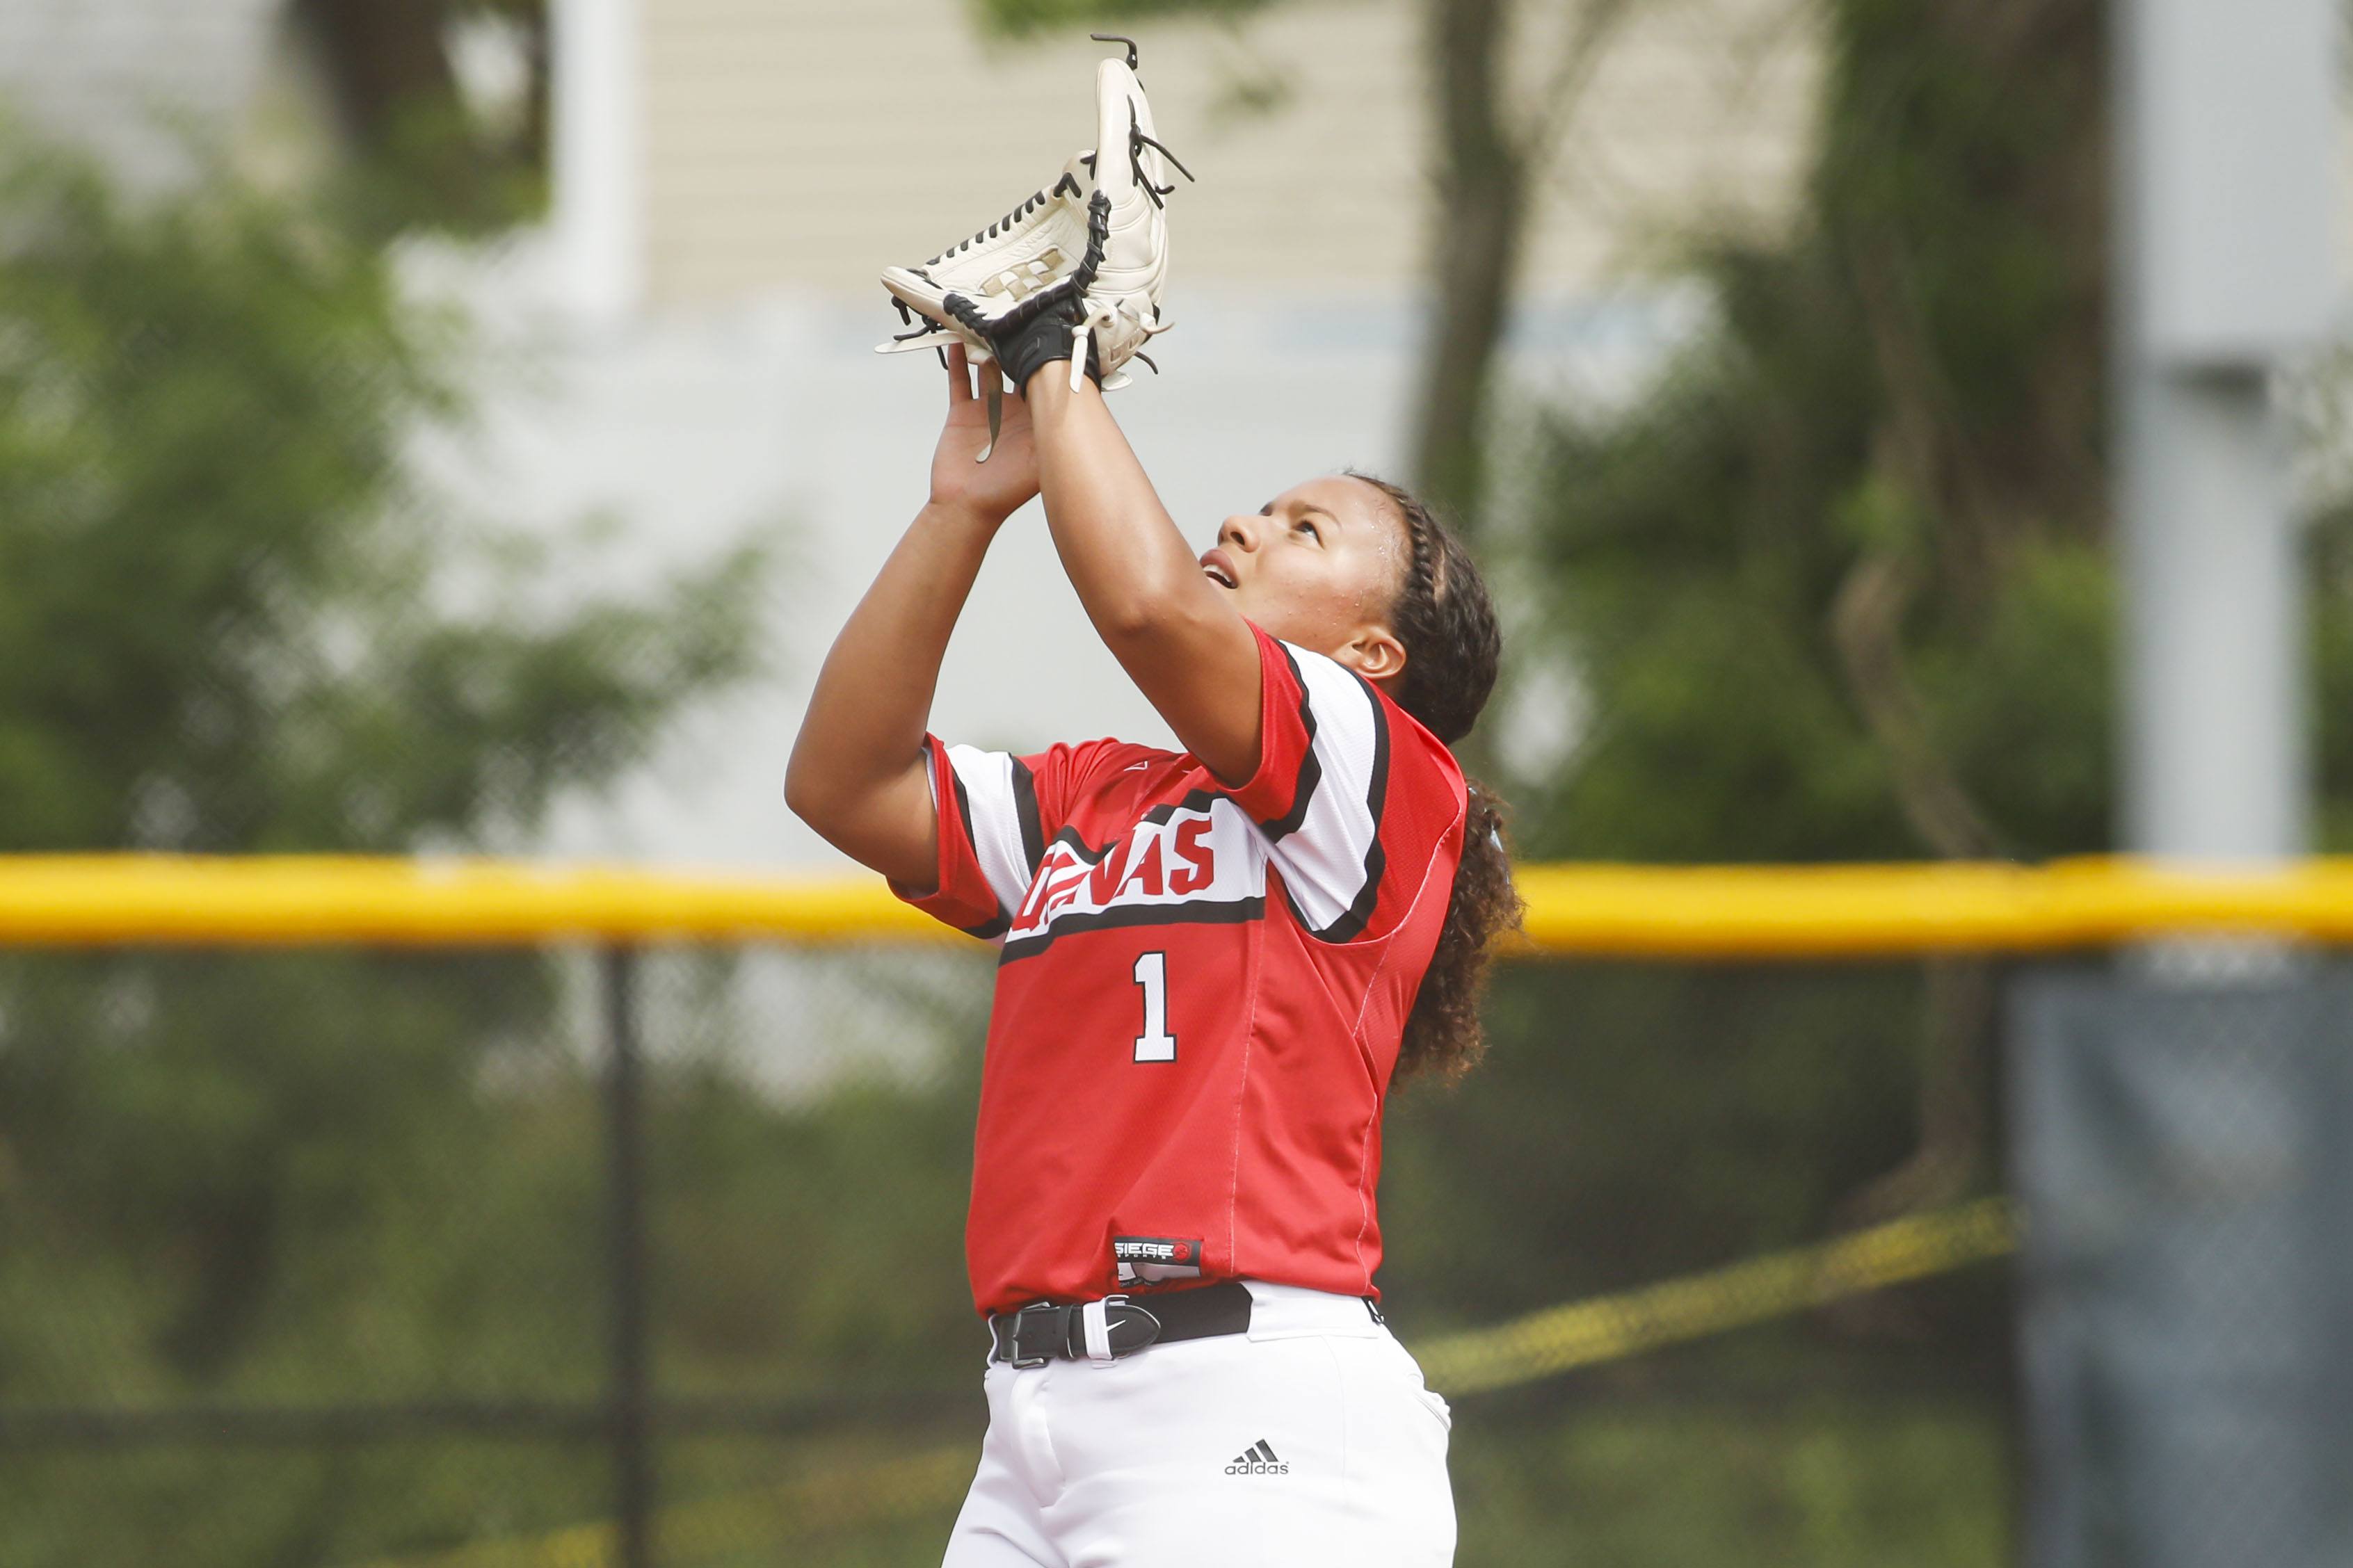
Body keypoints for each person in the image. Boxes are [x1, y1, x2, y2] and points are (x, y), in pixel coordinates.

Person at [785, 332, 1518, 1565]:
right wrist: (961, 513)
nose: (1243, 523)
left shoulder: (1386, 777)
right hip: (1032, 1420)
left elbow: (1144, 606)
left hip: (1248, 1406)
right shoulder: (1098, 797)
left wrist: (1054, 360)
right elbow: (844, 784)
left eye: (1304, 531)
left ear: (1372, 655)